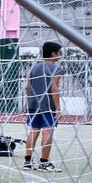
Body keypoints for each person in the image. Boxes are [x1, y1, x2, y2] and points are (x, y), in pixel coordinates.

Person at [23, 42, 63, 173]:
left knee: (34, 131)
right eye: (59, 52)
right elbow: (54, 88)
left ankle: (27, 161)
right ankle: (44, 163)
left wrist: (29, 103)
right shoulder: (56, 69)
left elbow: (27, 87)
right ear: (53, 54)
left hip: (34, 104)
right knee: (47, 131)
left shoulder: (35, 68)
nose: (60, 55)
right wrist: (58, 107)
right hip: (47, 105)